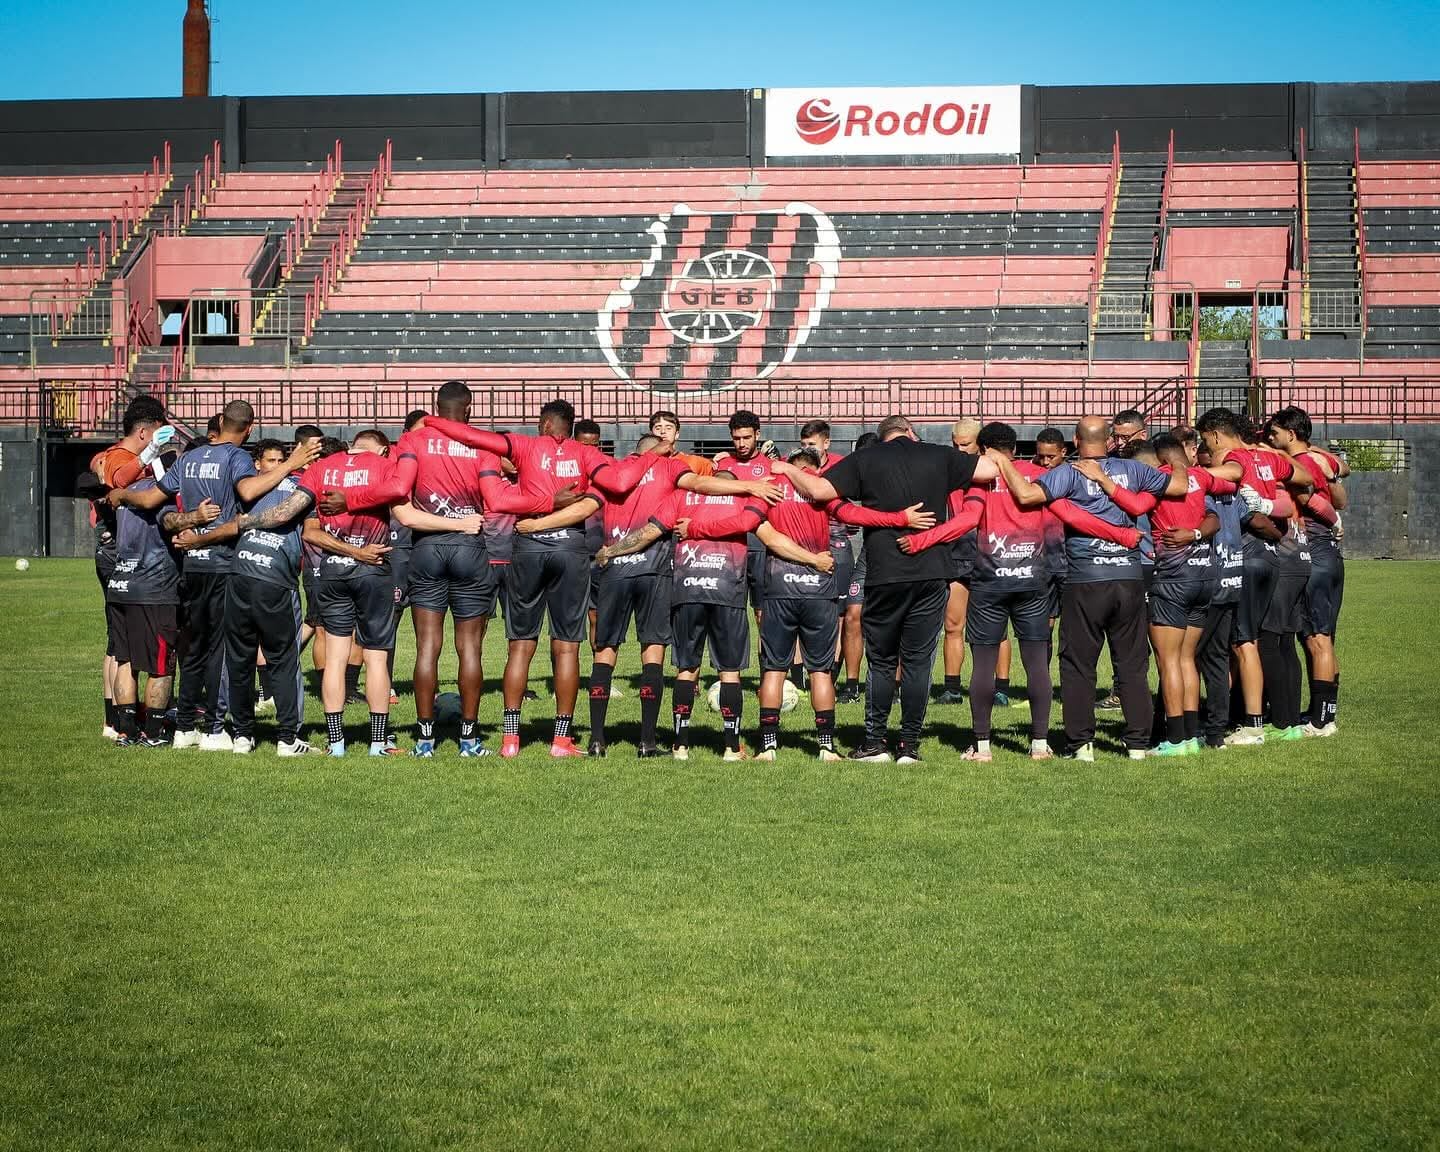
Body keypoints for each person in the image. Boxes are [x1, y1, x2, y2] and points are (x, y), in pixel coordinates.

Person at [422, 399, 652, 758]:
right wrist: (655, 454)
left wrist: (432, 421)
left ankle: (511, 739)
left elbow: (470, 436)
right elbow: (621, 482)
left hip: (528, 546)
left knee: (520, 645)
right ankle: (561, 740)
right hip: (571, 551)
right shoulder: (586, 453)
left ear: (545, 425)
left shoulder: (526, 445)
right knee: (566, 646)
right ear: (570, 427)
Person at [905, 422, 1138, 762]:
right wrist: (1123, 537)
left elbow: (967, 521)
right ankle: (1039, 745)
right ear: (1015, 449)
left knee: (983, 663)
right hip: (1033, 583)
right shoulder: (1038, 475)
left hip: (989, 583)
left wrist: (920, 540)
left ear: (984, 451)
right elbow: (1069, 514)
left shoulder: (981, 479)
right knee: (1036, 663)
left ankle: (982, 747)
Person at [775, 415, 1000, 764]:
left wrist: (787, 469)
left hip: (884, 572)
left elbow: (819, 492)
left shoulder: (866, 459)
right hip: (930, 571)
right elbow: (988, 470)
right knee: (918, 662)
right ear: (910, 433)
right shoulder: (939, 455)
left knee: (881, 661)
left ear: (882, 439)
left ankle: (875, 741)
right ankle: (909, 746)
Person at [112, 399, 319, 750]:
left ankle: (185, 728)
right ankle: (215, 728)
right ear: (249, 430)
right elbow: (249, 491)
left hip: (193, 563)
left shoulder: (190, 458)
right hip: (225, 563)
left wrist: (121, 493)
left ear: (221, 420)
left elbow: (149, 501)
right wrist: (293, 464)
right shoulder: (236, 457)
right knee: (223, 652)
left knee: (193, 647)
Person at [992, 416, 1189, 760]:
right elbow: (1178, 488)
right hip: (1128, 577)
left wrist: (1003, 463)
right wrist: (1178, 462)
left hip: (1085, 580)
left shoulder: (1069, 472)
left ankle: (1081, 744)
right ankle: (1138, 744)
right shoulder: (1134, 470)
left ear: (1075, 440)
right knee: (1131, 663)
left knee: (1078, 664)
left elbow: (1025, 495)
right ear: (1111, 439)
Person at [586, 435, 783, 757]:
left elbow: (648, 531)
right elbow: (754, 526)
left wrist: (610, 551)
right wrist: (752, 486)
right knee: (724, 670)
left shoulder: (669, 493)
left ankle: (670, 745)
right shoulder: (742, 497)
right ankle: (726, 748)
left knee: (670, 665)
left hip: (678, 587)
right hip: (718, 589)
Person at [754, 448, 928, 761]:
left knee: (774, 669)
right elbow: (856, 516)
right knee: (820, 671)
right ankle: (825, 746)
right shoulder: (824, 493)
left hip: (780, 589)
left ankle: (768, 747)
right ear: (813, 468)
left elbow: (751, 525)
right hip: (820, 591)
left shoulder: (771, 490)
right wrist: (900, 518)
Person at [1088, 434, 1237, 755]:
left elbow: (1134, 504)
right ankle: (1191, 736)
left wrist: (1103, 480)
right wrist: (1195, 532)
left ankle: (1175, 741)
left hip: (1172, 580)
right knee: (1187, 659)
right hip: (1204, 576)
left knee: (1167, 661)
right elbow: (1217, 510)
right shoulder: (1198, 477)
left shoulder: (1159, 482)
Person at [1197, 408, 1315, 745]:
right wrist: (1276, 500)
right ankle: (1254, 718)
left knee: (1242, 641)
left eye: (1207, 441)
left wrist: (1193, 475)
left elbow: (1230, 480)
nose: (1209, 449)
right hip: (1271, 558)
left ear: (1216, 436)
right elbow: (1305, 476)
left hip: (1245, 554)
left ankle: (1252, 724)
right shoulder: (1265, 456)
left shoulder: (1233, 458)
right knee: (1260, 640)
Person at [303, 430, 409, 756]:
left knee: (335, 658)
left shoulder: (323, 467)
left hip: (331, 571)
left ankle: (336, 744)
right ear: (379, 449)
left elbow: (310, 532)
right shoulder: (383, 466)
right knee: (376, 658)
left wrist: (346, 549)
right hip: (373, 566)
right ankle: (378, 743)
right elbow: (402, 496)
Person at [106, 474, 219, 746]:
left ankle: (127, 730)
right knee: (161, 666)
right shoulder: (160, 493)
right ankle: (154, 732)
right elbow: (169, 520)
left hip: (120, 584)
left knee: (126, 661)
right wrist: (197, 517)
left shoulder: (128, 491)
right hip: (153, 590)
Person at [83, 396, 173, 739]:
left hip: (114, 551)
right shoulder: (122, 457)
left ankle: (114, 721)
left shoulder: (104, 455)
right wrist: (149, 456)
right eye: (156, 433)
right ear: (143, 432)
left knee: (117, 644)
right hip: (122, 552)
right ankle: (122, 721)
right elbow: (121, 478)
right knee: (121, 645)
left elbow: (102, 468)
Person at [1268, 406, 1346, 736]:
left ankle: (1323, 720)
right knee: (1321, 637)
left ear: (1292, 434)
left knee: (1317, 639)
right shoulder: (1318, 461)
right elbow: (1339, 496)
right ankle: (1321, 712)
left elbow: (1313, 500)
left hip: (1314, 551)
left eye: (1275, 433)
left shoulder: (1305, 465)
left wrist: (1332, 520)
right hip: (1326, 552)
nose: (1271, 439)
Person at [836, 431, 878, 703]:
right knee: (852, 615)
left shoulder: (896, 479)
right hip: (864, 557)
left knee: (891, 622)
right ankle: (851, 685)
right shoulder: (849, 482)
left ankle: (893, 686)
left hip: (896, 557)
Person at [649, 410, 714, 477]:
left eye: (668, 428)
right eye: (658, 428)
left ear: (676, 434)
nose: (663, 431)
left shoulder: (696, 462)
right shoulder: (642, 462)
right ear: (651, 434)